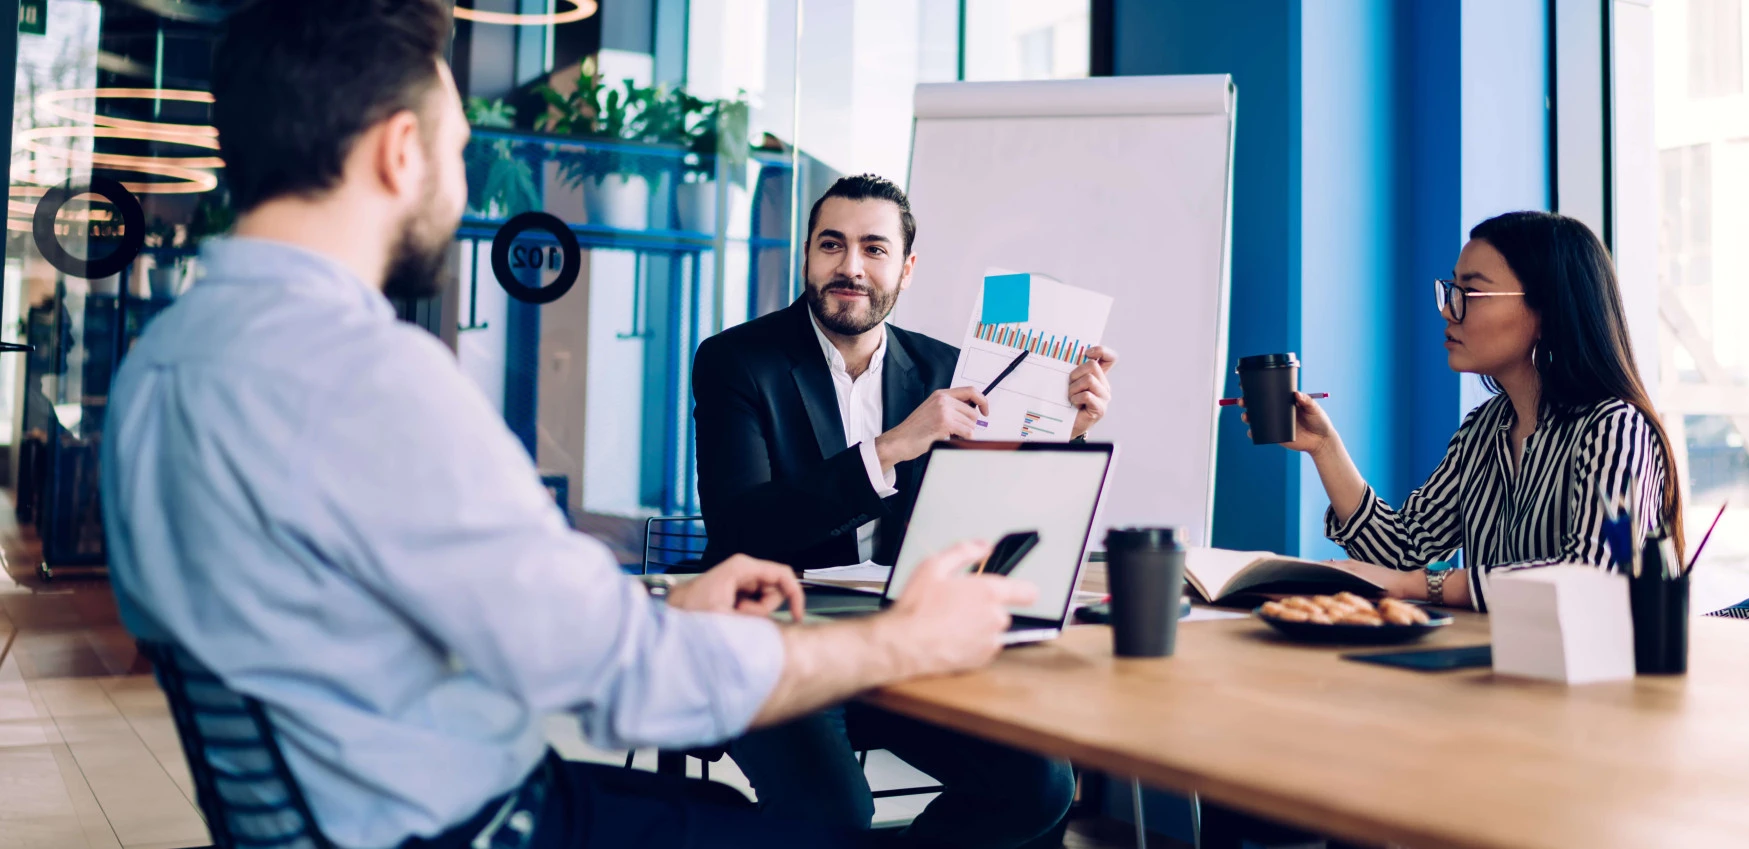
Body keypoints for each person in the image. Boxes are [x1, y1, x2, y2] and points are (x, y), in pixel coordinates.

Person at [99, 3, 1042, 848]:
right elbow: (625, 685)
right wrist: (903, 641)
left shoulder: (161, 365)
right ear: (399, 153)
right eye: (459, 148)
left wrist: (658, 610)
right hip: (479, 820)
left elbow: (416, 610)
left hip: (370, 804)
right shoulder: (369, 378)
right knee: (821, 830)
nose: (465, 183)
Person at [688, 175, 1107, 845]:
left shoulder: (944, 368)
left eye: (873, 248)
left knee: (1041, 784)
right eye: (832, 245)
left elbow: (987, 514)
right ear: (806, 256)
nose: (850, 266)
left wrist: (1066, 427)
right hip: (773, 642)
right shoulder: (735, 361)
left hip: (901, 643)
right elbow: (743, 527)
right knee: (836, 813)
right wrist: (890, 448)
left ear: (906, 269)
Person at [1266, 210, 1749, 635]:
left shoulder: (1614, 428)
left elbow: (1592, 578)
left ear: (1546, 309)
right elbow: (1399, 551)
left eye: (1470, 290)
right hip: (1524, 679)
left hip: (1610, 692)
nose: (1449, 311)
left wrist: (1434, 584)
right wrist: (1326, 449)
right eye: (1449, 290)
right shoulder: (1482, 434)